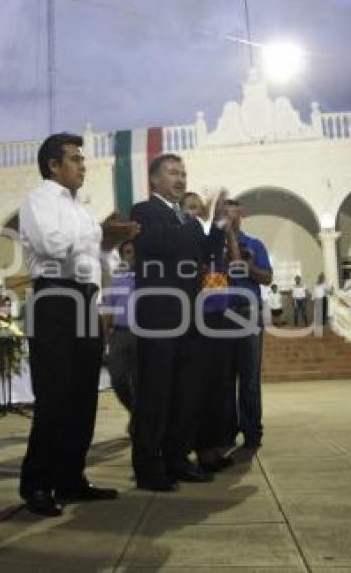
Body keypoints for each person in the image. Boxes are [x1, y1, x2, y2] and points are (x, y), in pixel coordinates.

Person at [18, 132, 138, 516]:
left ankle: (71, 477)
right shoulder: (39, 200)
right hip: (53, 297)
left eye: (82, 160)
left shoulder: (80, 207)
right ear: (53, 165)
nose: (83, 166)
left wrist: (108, 241)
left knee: (84, 395)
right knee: (55, 395)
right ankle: (36, 482)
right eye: (75, 159)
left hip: (85, 299)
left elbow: (95, 260)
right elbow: (52, 246)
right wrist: (99, 231)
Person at [129, 154, 224, 491]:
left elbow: (206, 252)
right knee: (155, 392)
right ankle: (148, 465)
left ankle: (177, 457)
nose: (181, 179)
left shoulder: (185, 217)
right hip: (158, 315)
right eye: (172, 173)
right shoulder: (144, 212)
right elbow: (158, 244)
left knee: (186, 390)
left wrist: (215, 222)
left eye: (183, 173)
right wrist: (191, 223)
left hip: (190, 312)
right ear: (154, 179)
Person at [221, 199, 273, 450]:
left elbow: (267, 277)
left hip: (248, 312)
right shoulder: (214, 246)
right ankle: (226, 430)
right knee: (224, 377)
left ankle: (252, 431)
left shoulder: (255, 244)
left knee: (249, 377)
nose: (228, 216)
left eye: (231, 211)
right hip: (220, 315)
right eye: (223, 212)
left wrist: (248, 266)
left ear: (240, 214)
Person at [102, 239, 137, 424]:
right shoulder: (117, 280)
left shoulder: (148, 279)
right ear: (123, 256)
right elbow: (108, 310)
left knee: (141, 383)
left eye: (134, 252)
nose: (132, 256)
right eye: (128, 252)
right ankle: (136, 412)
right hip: (120, 335)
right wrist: (105, 339)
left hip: (142, 336)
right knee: (118, 380)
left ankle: (139, 422)